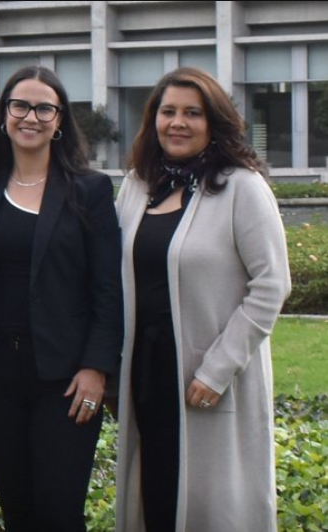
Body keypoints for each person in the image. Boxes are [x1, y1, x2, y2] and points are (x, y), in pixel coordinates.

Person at [114, 67, 289, 532]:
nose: (178, 122)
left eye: (193, 113)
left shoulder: (242, 187)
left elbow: (272, 284)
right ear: (153, 120)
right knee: (154, 494)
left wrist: (218, 368)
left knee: (215, 504)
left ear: (214, 122)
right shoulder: (137, 185)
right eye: (168, 111)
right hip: (147, 373)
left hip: (206, 378)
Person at [0, 65, 122, 532]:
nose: (31, 116)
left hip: (64, 379)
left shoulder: (90, 190)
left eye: (44, 107)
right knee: (19, 512)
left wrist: (97, 367)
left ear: (60, 119)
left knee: (58, 511)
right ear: (4, 115)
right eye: (20, 105)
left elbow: (108, 288)